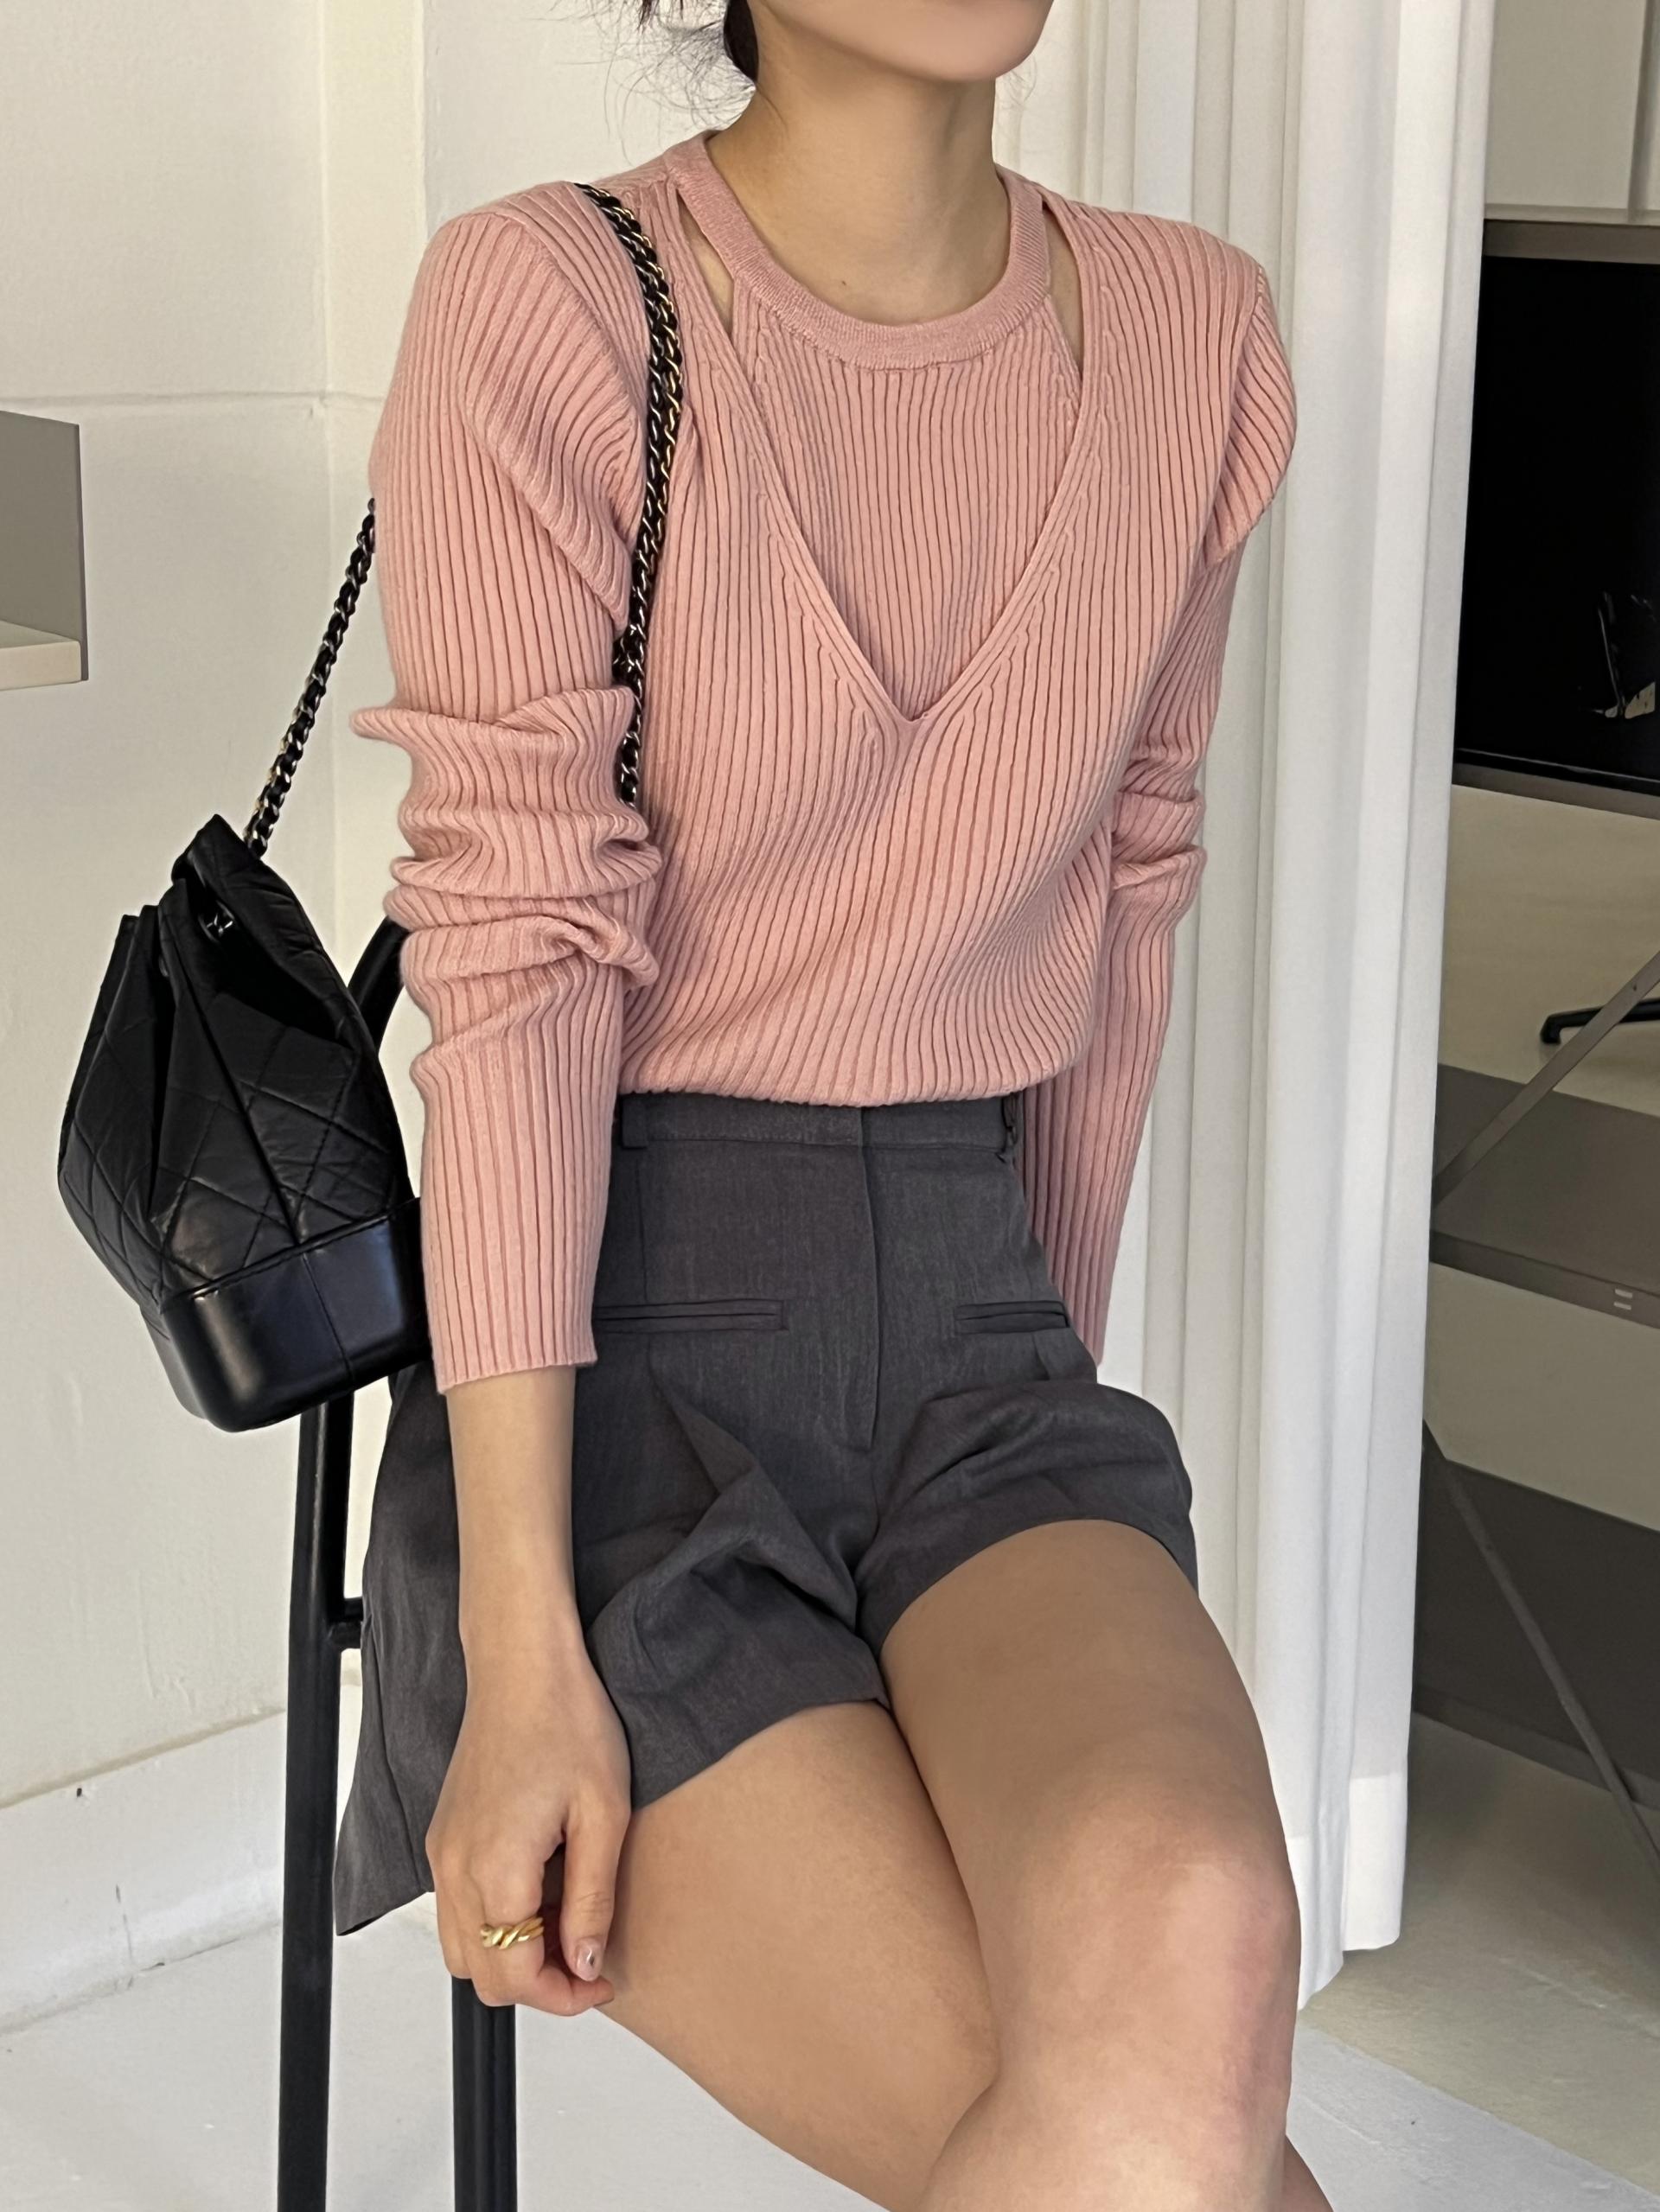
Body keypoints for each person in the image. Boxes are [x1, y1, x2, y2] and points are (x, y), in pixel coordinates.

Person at [335, 3, 1323, 2206]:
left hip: (986, 1341)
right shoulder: (554, 301)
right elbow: (517, 974)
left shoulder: (1194, 337)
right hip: (613, 1371)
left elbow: (1127, 901)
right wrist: (516, 1640)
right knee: (1172, 2153)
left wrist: (1046, 1389)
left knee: (1194, 1920)